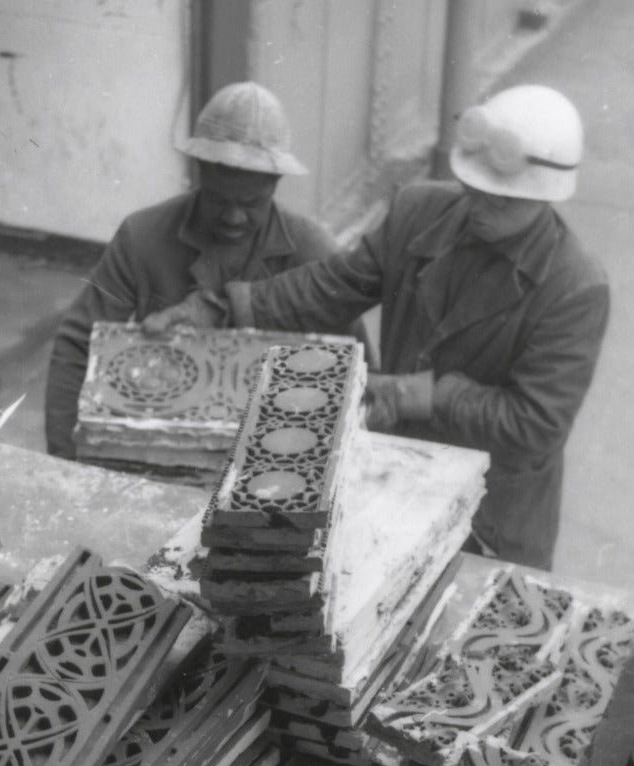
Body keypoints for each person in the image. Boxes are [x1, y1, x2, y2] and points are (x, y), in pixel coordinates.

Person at [144, 85, 609, 570]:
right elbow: (333, 287)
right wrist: (222, 308)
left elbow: (536, 423)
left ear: (545, 199)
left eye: (504, 200)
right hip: (396, 478)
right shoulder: (419, 211)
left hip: (493, 520)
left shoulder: (575, 287)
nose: (481, 206)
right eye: (476, 189)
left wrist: (420, 395)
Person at [43, 82, 352, 460]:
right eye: (218, 199)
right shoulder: (142, 237)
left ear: (276, 184)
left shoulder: (314, 252)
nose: (234, 218)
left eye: (252, 203)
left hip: (275, 453)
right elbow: (78, 345)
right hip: (160, 440)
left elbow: (355, 369)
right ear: (199, 173)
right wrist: (64, 460)